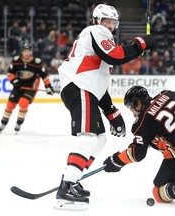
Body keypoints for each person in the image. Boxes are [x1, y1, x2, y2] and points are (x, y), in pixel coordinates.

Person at [55, 4, 157, 210]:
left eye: (113, 22)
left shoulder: (102, 40)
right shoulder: (95, 31)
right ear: (96, 20)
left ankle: (73, 180)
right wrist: (141, 43)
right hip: (79, 86)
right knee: (89, 136)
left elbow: (98, 82)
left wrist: (112, 113)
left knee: (99, 138)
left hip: (85, 88)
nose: (110, 26)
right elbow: (116, 56)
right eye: (106, 21)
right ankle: (67, 186)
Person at [0, 43, 54, 133]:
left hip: (30, 88)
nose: (26, 53)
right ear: (22, 52)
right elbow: (9, 73)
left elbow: (45, 75)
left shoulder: (36, 63)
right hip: (18, 86)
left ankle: (18, 123)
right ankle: (3, 123)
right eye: (24, 51)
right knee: (10, 105)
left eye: (28, 51)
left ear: (30, 52)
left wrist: (48, 86)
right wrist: (14, 81)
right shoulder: (16, 61)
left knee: (23, 103)